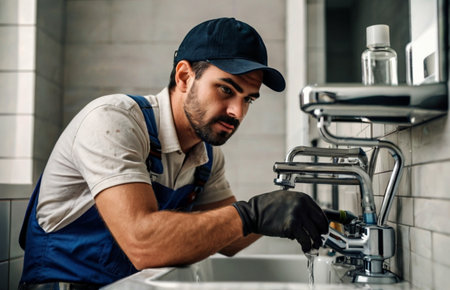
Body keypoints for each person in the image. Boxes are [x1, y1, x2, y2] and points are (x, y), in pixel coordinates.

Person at [19, 17, 329, 289]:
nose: (237, 112)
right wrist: (253, 214)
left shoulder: (205, 154)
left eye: (249, 99)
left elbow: (232, 237)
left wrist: (295, 214)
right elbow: (143, 243)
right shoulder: (114, 121)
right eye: (226, 89)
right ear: (184, 76)